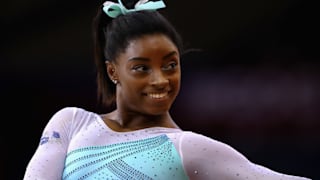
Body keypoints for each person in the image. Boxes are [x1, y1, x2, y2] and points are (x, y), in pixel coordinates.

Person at [23, 0, 312, 179]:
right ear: (113, 71)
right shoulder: (72, 123)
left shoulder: (188, 148)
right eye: (142, 68)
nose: (160, 79)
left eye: (170, 65)